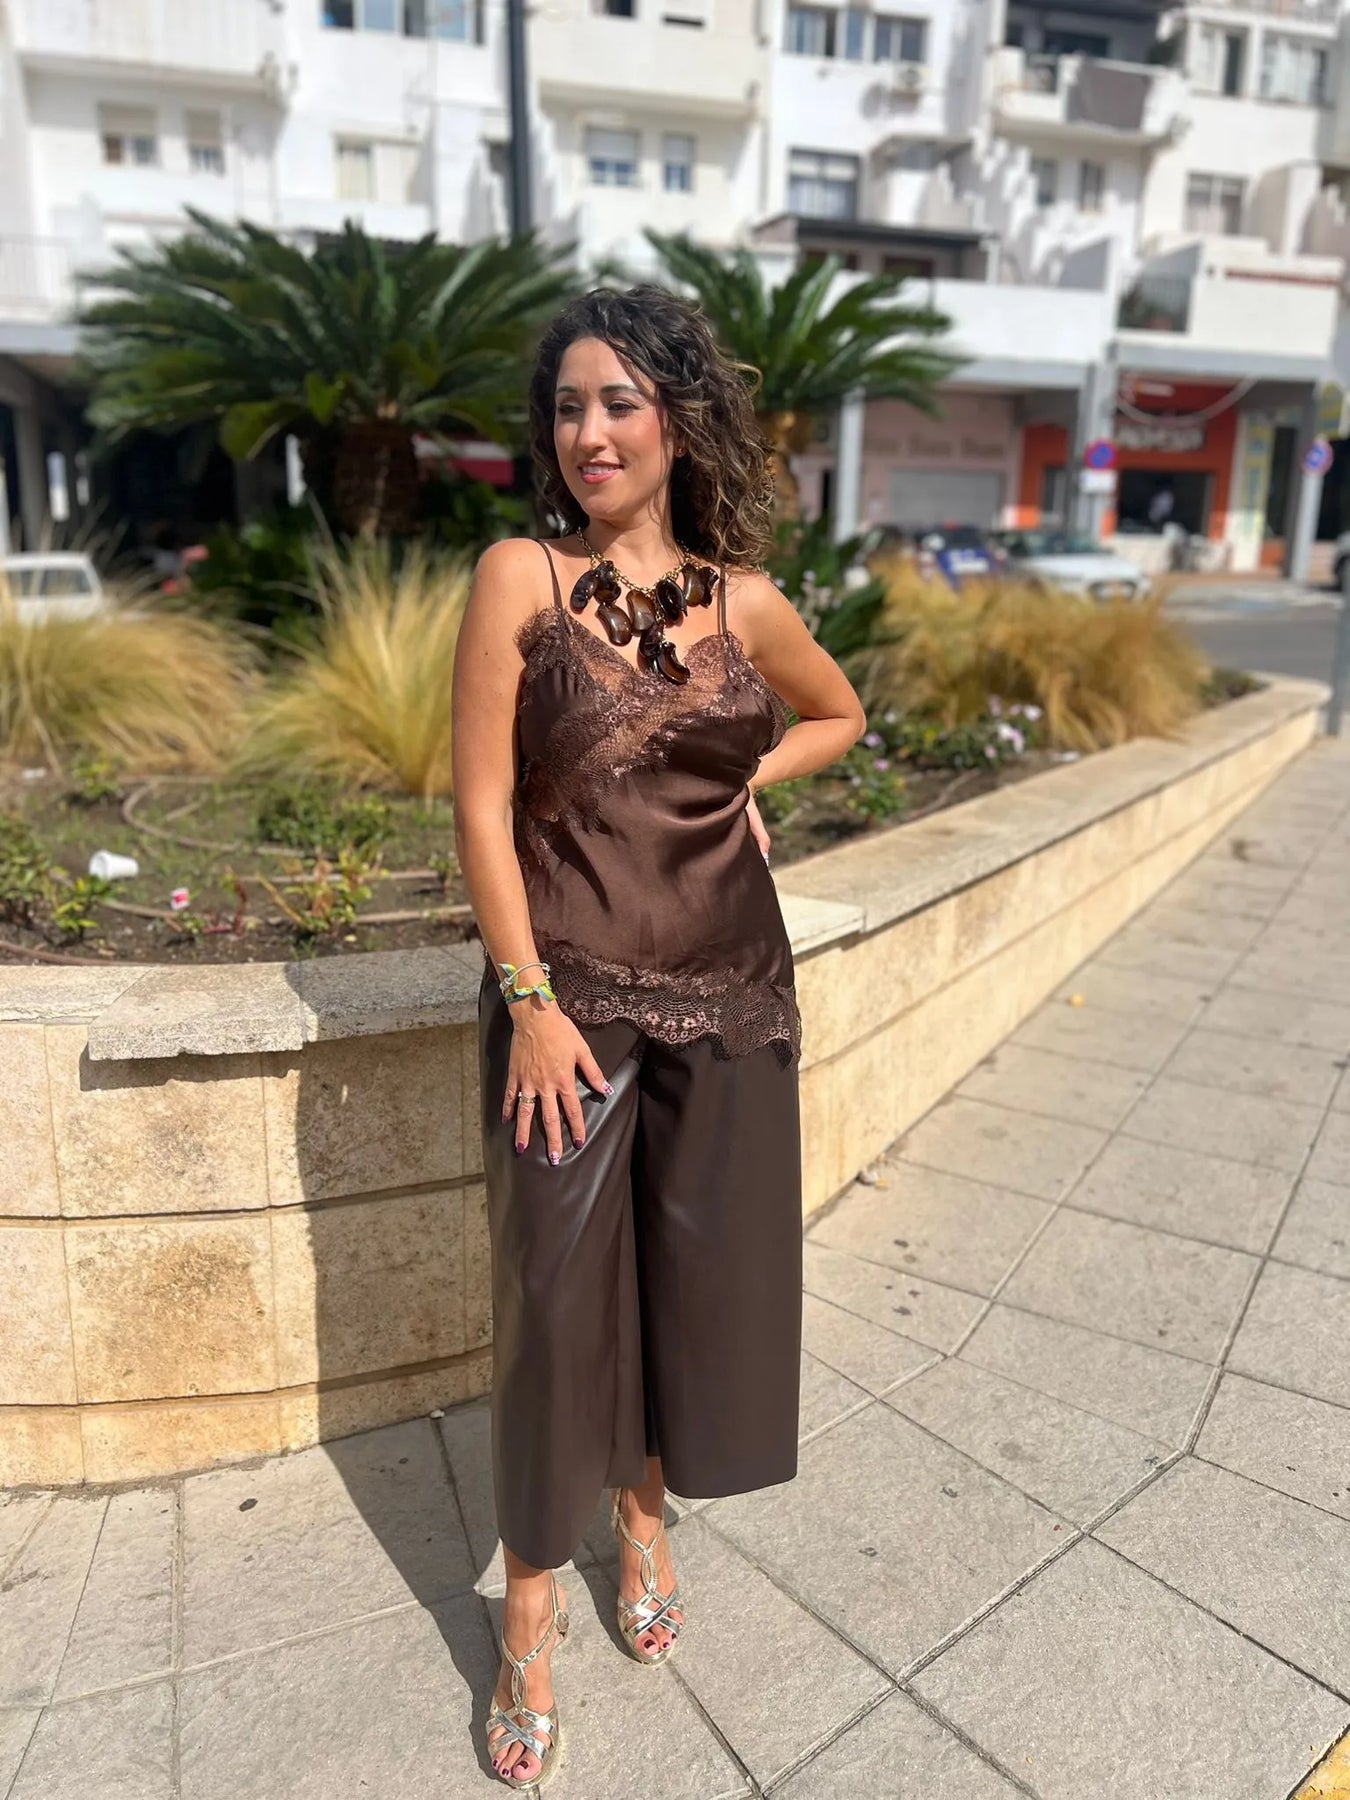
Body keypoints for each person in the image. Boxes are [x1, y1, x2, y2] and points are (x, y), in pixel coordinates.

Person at [450, 283, 867, 1792]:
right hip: (565, 1002)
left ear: (678, 422)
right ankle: (529, 1612)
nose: (590, 433)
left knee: (693, 1288)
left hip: (729, 990)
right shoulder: (519, 575)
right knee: (553, 1300)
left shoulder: (745, 603)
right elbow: (479, 804)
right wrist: (527, 1003)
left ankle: (642, 1523)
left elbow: (838, 713)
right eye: (568, 406)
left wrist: (752, 786)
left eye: (619, 402)